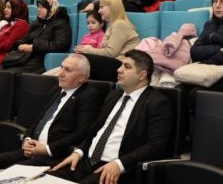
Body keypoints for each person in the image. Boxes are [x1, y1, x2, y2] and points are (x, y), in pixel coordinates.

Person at [49, 50, 172, 184]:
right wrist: (78, 152)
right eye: (121, 65)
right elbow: (95, 131)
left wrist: (120, 164)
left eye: (127, 67)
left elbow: (156, 146)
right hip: (87, 162)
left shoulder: (157, 102)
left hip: (116, 169)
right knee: (44, 179)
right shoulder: (113, 95)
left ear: (142, 75)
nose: (119, 70)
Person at [0, 54, 104, 172]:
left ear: (81, 77)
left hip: (54, 155)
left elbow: (82, 133)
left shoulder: (89, 96)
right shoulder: (55, 90)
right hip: (33, 149)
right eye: (61, 67)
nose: (60, 73)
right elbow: (39, 120)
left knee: (11, 172)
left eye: (68, 70)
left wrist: (47, 149)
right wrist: (27, 139)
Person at [74, 0, 139, 81]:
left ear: (112, 7)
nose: (99, 11)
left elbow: (111, 53)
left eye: (101, 7)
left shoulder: (120, 24)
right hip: (114, 63)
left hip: (121, 66)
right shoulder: (112, 25)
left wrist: (89, 49)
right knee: (78, 59)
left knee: (80, 59)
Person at [8, 0, 72, 74]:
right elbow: (25, 38)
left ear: (51, 8)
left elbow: (61, 45)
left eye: (42, 7)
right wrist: (19, 44)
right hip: (25, 57)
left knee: (10, 74)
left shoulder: (61, 23)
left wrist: (34, 47)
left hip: (40, 60)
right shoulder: (36, 23)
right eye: (38, 7)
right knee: (2, 70)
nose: (38, 9)